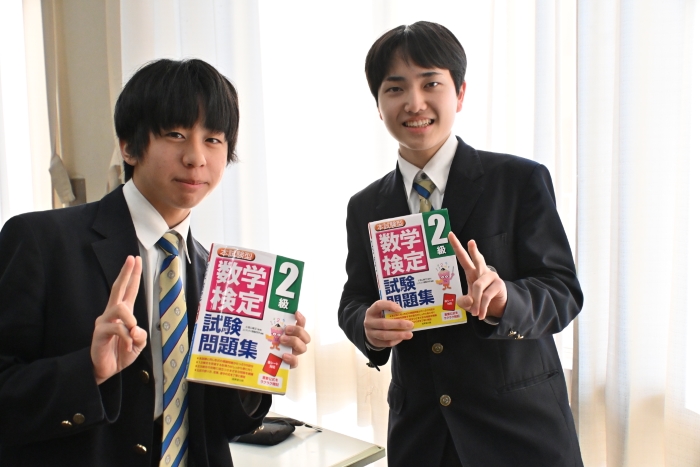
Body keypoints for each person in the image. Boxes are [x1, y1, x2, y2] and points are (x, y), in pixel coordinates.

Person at [0, 58, 310, 467]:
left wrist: (255, 368)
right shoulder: (41, 241)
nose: (196, 157)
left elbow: (223, 426)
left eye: (213, 139)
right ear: (129, 146)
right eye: (175, 134)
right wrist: (87, 370)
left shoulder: (217, 275)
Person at [338, 21, 583, 466]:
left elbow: (562, 291)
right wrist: (366, 327)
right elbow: (355, 298)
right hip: (422, 437)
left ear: (460, 93)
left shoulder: (518, 180)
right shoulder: (366, 206)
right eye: (395, 88)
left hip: (521, 433)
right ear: (378, 104)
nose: (415, 103)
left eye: (431, 83)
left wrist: (506, 299)